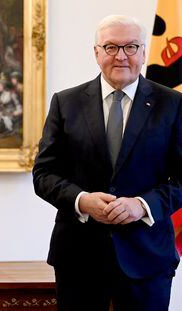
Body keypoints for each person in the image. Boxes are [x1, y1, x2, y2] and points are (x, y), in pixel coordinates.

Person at [33, 15, 182, 311]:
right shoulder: (66, 103)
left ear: (142, 53)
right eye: (111, 47)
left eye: (130, 47)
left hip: (146, 256)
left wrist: (141, 205)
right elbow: (44, 173)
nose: (121, 56)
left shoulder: (173, 104)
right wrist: (82, 200)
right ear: (97, 53)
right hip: (78, 256)